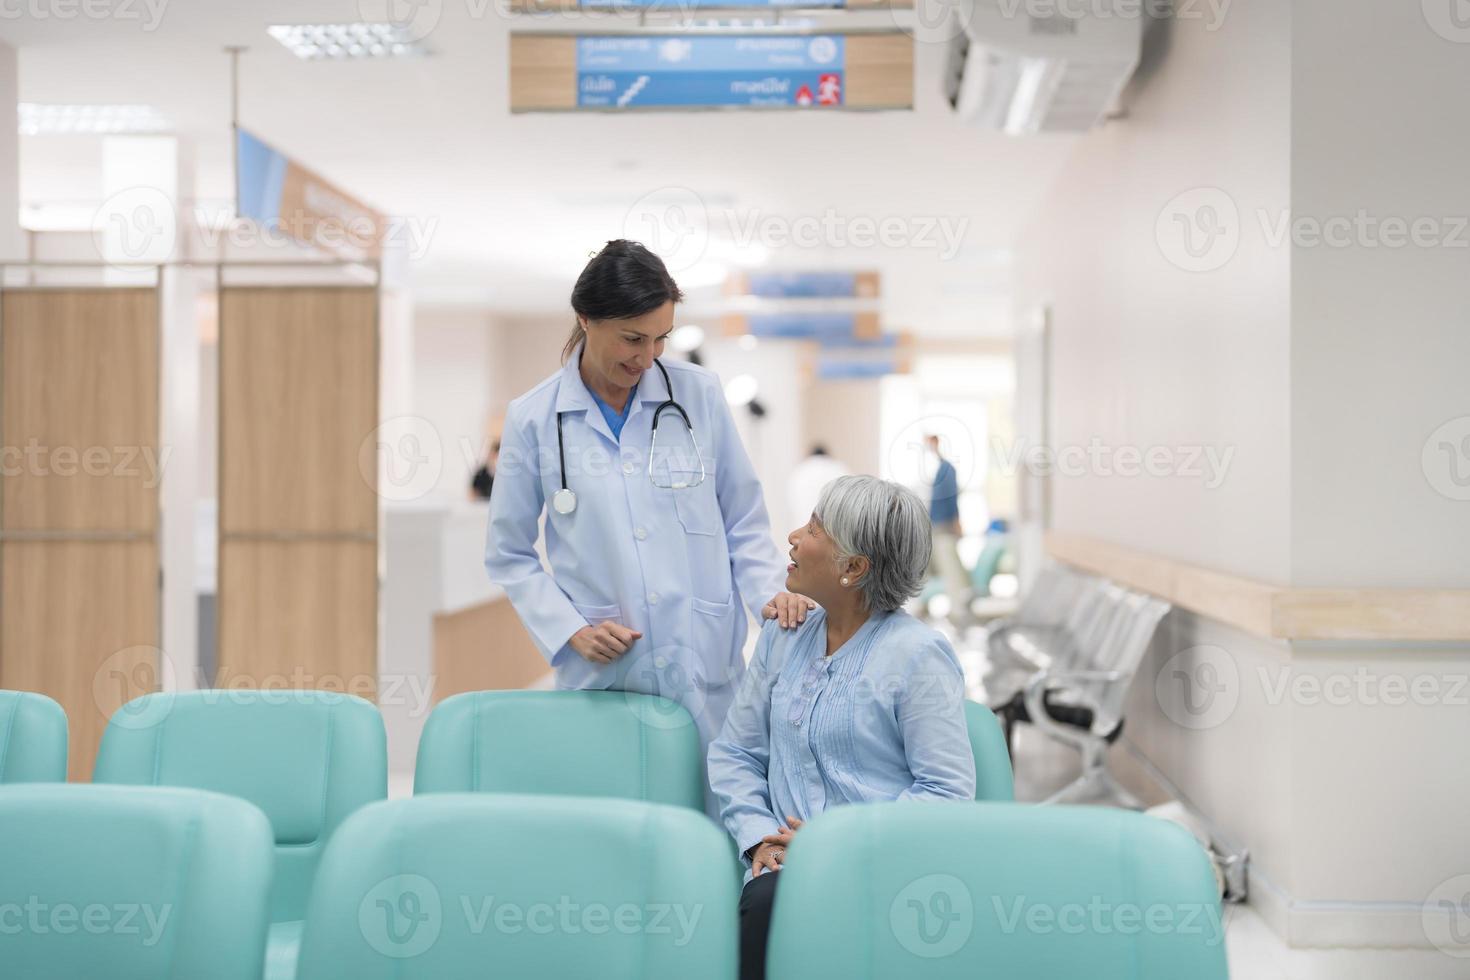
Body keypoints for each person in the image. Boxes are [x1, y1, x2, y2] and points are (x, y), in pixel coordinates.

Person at [485, 240, 814, 812]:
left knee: (718, 828)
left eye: (661, 338)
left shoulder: (697, 395)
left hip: (704, 661)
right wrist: (568, 630)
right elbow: (509, 553)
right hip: (606, 672)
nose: (647, 356)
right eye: (633, 338)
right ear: (586, 319)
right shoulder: (535, 419)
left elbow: (742, 517)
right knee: (619, 836)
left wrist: (768, 596)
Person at [708, 475, 976, 980]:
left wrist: (842, 840)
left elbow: (947, 792)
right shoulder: (784, 634)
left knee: (777, 911)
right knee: (767, 905)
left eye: (813, 528)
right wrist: (760, 836)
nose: (793, 536)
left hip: (878, 869)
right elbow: (735, 753)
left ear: (852, 567)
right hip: (778, 869)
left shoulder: (917, 656)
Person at [925, 433, 970, 618]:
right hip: (937, 527)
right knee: (943, 569)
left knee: (950, 570)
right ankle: (958, 607)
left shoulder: (947, 469)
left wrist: (956, 523)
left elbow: (950, 500)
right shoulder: (940, 470)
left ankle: (959, 611)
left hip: (944, 528)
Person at [785, 443, 849, 538]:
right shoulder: (839, 469)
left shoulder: (800, 471)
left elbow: (791, 501)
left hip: (803, 527)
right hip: (833, 532)